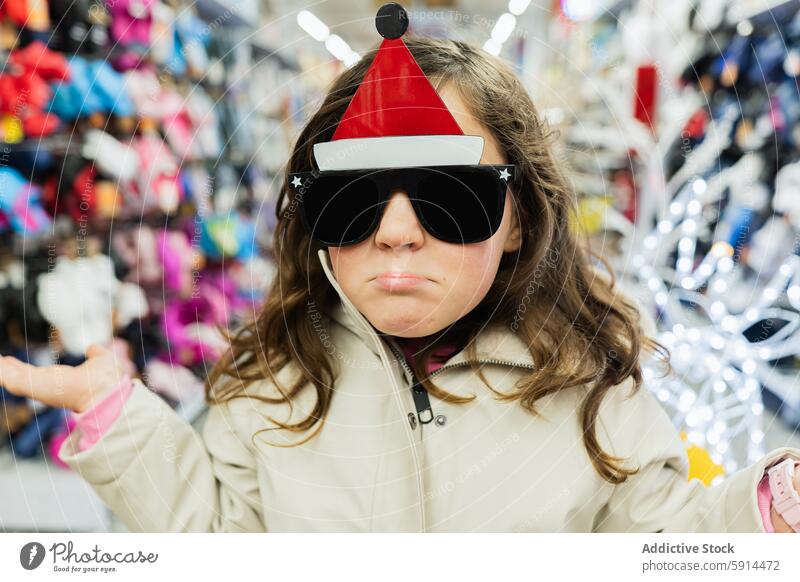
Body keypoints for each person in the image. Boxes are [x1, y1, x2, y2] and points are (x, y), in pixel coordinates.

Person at [1, 11, 799, 532]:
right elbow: (217, 540)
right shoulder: (269, 385)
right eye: (350, 201)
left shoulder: (588, 383)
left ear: (519, 216)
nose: (395, 234)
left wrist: (769, 507)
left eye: (451, 197)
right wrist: (123, 425)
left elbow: (669, 540)